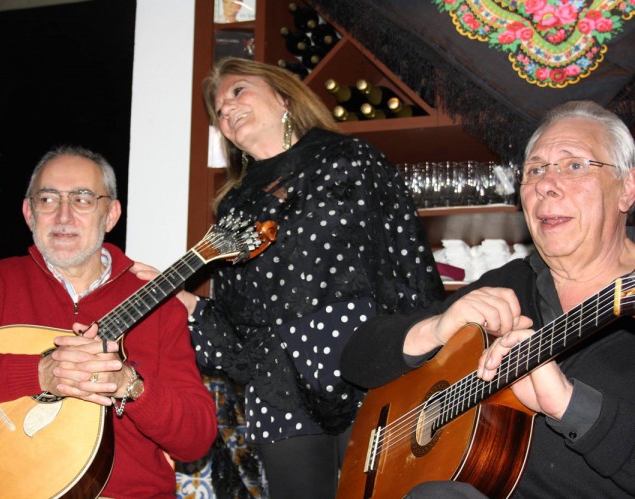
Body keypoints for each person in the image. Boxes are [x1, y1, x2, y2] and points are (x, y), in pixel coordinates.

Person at [133, 57, 444, 498]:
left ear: (283, 95)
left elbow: (406, 253)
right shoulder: (234, 210)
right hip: (277, 382)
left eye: (237, 91)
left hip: (364, 358)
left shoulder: (349, 159)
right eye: (218, 109)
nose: (226, 109)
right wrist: (184, 304)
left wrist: (432, 347)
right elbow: (236, 328)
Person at [340, 100, 635, 497]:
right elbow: (356, 359)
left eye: (574, 165)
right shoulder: (511, 282)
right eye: (534, 170)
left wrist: (569, 404)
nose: (546, 184)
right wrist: (437, 328)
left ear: (627, 189)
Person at [0, 146, 217, 498]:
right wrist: (39, 373)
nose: (63, 215)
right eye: (47, 199)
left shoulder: (157, 305)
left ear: (110, 214)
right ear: (29, 213)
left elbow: (196, 439)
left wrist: (129, 384)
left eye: (82, 199)